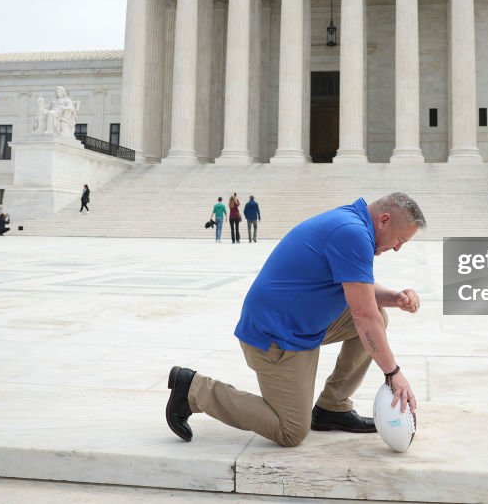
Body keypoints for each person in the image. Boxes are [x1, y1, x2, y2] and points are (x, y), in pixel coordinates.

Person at [165, 192, 426, 448]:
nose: (397, 248)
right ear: (384, 220)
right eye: (400, 240)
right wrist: (393, 373)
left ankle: (332, 407)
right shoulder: (353, 234)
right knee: (290, 430)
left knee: (378, 315)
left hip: (296, 323)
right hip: (275, 337)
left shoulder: (352, 223)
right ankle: (194, 390)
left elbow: (359, 287)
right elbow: (363, 315)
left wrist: (395, 297)